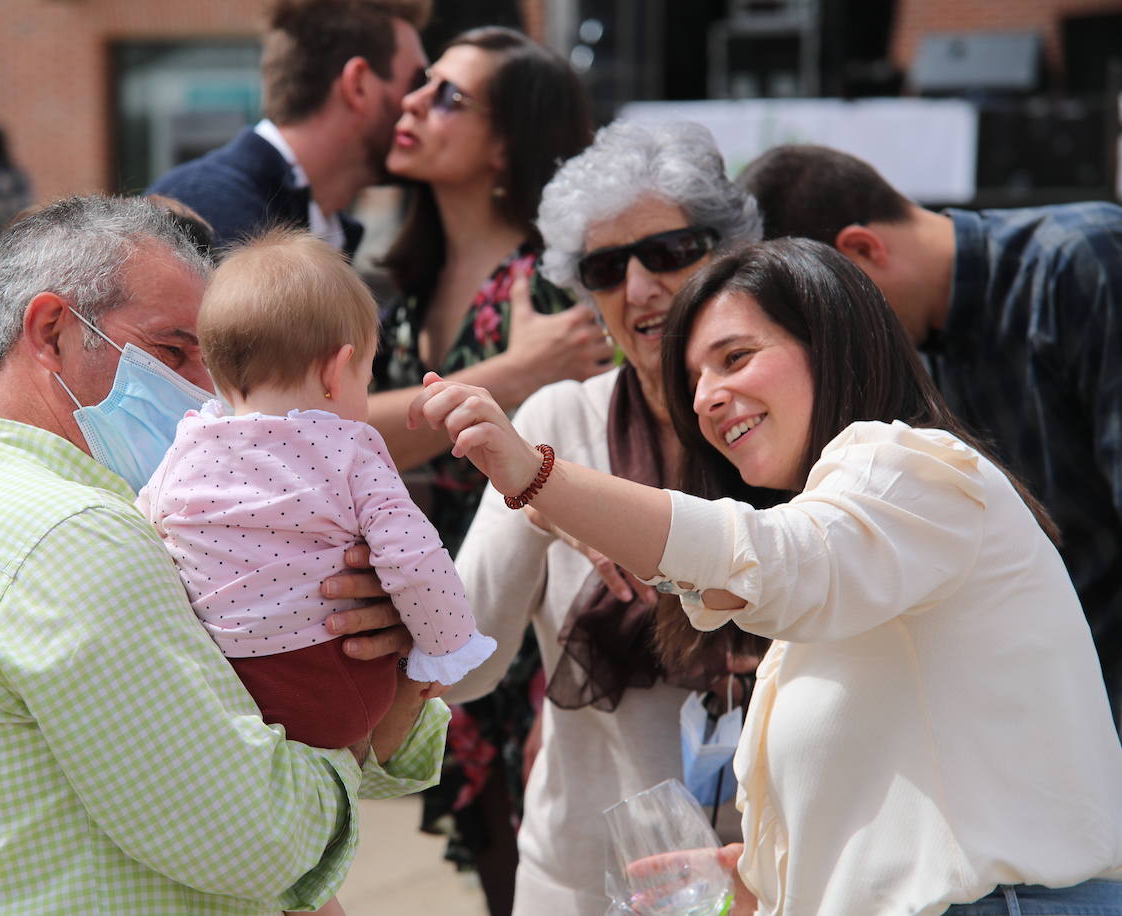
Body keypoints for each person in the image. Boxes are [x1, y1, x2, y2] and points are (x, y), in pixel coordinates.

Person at [412, 237, 1122, 915]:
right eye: (696, 378)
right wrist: (759, 878)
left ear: (832, 346)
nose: (706, 398)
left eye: (736, 357)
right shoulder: (841, 552)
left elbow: (755, 553)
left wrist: (536, 475)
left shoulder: (907, 467)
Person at [0, 195, 448, 916]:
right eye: (171, 350)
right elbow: (253, 836)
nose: (205, 393)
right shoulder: (73, 535)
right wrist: (350, 708)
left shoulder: (31, 505)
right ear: (53, 331)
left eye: (213, 360)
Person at [446, 119, 765, 916]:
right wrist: (540, 498)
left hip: (775, 873)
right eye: (605, 268)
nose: (640, 289)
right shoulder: (561, 423)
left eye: (668, 253)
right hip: (590, 878)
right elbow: (462, 664)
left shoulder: (787, 421)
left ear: (728, 252)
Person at [139, 228, 494, 916]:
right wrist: (445, 647)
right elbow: (414, 558)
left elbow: (147, 525)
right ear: (339, 370)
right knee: (364, 716)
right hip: (331, 686)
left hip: (230, 688)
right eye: (365, 376)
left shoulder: (188, 442)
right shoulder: (349, 446)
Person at [739, 144, 1122, 730]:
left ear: (862, 251)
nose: (828, 350)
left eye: (818, 322)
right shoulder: (916, 349)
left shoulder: (1083, 259)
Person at [365, 26, 608, 913]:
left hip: (530, 637)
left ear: (509, 142)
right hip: (439, 625)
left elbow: (584, 473)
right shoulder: (410, 284)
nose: (414, 103)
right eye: (421, 84)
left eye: (448, 97)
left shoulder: (548, 286)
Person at [147, 0, 429, 258]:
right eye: (418, 81)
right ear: (358, 86)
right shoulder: (210, 211)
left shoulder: (314, 222)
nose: (424, 101)